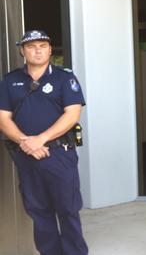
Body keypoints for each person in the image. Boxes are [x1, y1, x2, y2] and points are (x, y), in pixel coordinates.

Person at [0, 30, 89, 255]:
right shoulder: (10, 80)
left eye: (42, 45)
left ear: (50, 50)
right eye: (31, 46)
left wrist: (40, 140)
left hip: (59, 154)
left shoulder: (64, 77)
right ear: (22, 51)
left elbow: (72, 115)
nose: (37, 50)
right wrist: (26, 143)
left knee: (67, 209)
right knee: (38, 210)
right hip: (26, 155)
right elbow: (3, 118)